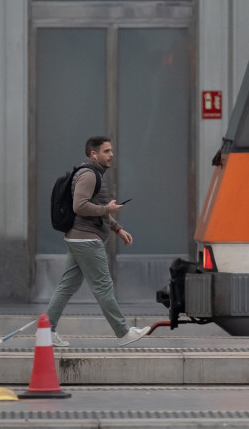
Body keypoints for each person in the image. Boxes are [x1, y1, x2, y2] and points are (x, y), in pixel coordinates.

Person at [44, 136, 151, 347]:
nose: (111, 155)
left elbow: (95, 208)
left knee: (66, 286)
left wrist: (117, 228)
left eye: (111, 150)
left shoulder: (93, 173)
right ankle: (123, 333)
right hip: (87, 239)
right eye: (106, 151)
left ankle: (46, 332)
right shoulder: (89, 175)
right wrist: (107, 209)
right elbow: (80, 206)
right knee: (103, 287)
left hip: (78, 237)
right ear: (94, 154)